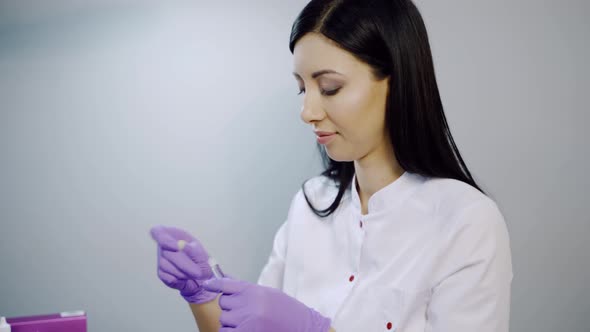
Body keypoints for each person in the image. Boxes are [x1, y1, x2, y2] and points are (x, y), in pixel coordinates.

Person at [149, 0, 513, 331]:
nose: (307, 112)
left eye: (330, 87)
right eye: (302, 88)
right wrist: (202, 294)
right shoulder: (311, 203)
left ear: (396, 81)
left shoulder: (466, 222)